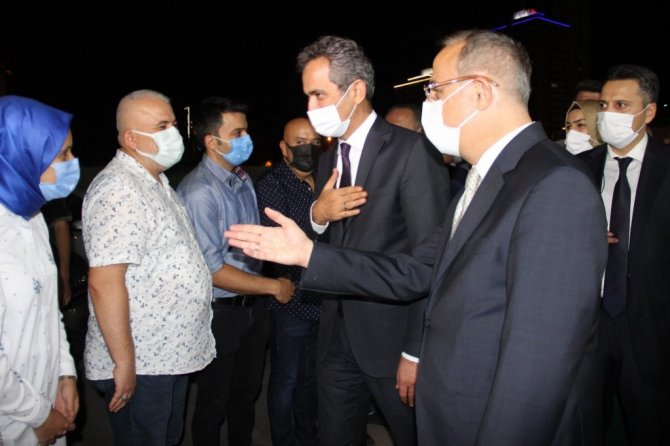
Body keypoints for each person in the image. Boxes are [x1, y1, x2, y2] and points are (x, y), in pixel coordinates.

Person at [226, 29, 608, 445]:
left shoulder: (554, 184)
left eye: (436, 89)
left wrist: (414, 352)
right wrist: (309, 252)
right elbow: (415, 270)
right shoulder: (486, 178)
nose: (428, 102)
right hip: (423, 387)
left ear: (480, 92)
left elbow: (537, 367)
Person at [296, 35, 450, 446]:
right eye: (307, 96)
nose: (310, 107)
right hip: (335, 335)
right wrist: (318, 216)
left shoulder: (413, 152)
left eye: (318, 95)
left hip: (392, 340)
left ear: (356, 90)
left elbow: (430, 261)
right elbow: (324, 246)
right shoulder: (328, 159)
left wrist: (416, 351)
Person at [82, 89, 215, 445]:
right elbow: (104, 282)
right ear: (131, 138)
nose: (174, 133)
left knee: (167, 437)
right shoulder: (119, 189)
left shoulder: (154, 181)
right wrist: (124, 362)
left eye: (173, 124)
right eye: (162, 126)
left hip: (167, 354)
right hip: (142, 360)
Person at [176, 96, 294, 446]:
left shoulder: (241, 179)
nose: (247, 138)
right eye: (237, 133)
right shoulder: (200, 192)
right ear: (212, 141)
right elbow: (212, 271)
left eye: (246, 130)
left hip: (252, 308)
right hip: (221, 313)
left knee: (246, 394)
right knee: (213, 401)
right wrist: (273, 286)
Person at [578, 64, 670, 445]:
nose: (608, 114)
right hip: (590, 325)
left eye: (621, 105)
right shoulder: (579, 169)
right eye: (604, 105)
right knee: (585, 427)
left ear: (648, 112)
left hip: (651, 329)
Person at [0, 95, 80, 445]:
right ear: (21, 156)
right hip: (14, 419)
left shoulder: (32, 218)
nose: (73, 163)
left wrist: (65, 374)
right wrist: (39, 415)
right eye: (63, 155)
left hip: (47, 400)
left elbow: (48, 310)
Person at [254, 117, 324, 446]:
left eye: (314, 141)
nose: (308, 148)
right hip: (291, 300)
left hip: (323, 298)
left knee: (310, 378)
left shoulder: (325, 179)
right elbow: (278, 243)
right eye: (299, 143)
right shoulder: (273, 184)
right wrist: (319, 217)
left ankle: (307, 436)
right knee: (286, 379)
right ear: (284, 148)